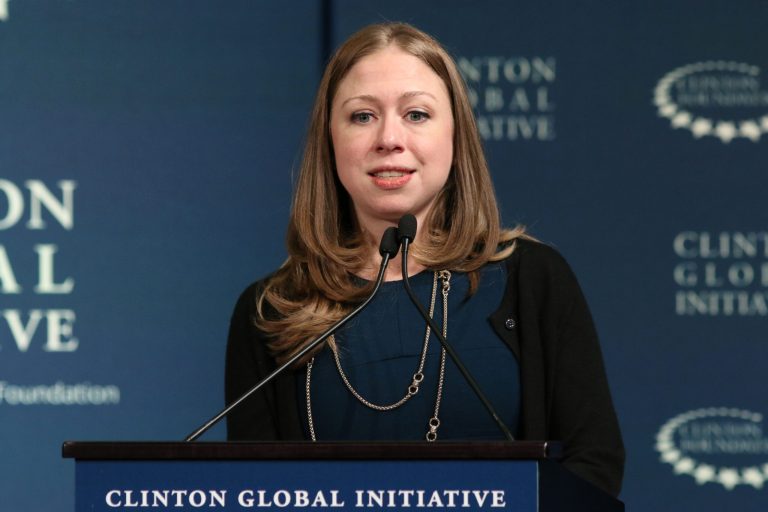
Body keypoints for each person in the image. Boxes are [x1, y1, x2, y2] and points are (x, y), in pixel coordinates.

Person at [225, 22, 624, 497]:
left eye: (416, 114)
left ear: (455, 135)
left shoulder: (532, 280)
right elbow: (253, 493)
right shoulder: (271, 311)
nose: (389, 138)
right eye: (362, 116)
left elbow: (591, 466)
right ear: (329, 139)